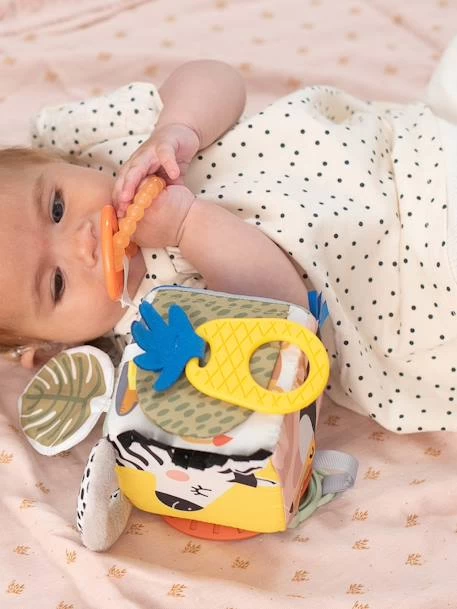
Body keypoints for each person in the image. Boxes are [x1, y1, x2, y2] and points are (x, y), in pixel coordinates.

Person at [2, 33, 457, 435]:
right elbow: (285, 317)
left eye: (56, 207)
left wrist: (178, 126)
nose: (83, 241)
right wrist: (188, 225)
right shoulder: (158, 337)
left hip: (403, 146)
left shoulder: (97, 146)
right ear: (52, 345)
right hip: (410, 268)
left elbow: (217, 78)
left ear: (50, 161)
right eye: (57, 282)